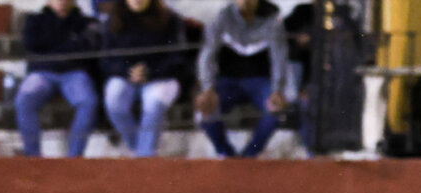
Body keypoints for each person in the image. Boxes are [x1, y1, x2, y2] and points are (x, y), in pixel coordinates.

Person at [195, 0, 289, 158]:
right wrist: (207, 88)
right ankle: (225, 153)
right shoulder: (222, 19)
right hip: (227, 82)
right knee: (204, 111)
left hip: (260, 82)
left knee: (275, 111)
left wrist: (277, 90)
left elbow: (279, 59)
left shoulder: (272, 21)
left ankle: (249, 156)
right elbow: (207, 55)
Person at [101, 0, 187, 157]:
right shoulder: (113, 20)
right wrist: (127, 71)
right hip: (125, 76)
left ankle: (144, 156)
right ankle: (139, 150)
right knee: (114, 99)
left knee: (153, 102)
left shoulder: (170, 19)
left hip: (161, 77)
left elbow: (178, 58)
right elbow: (105, 59)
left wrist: (150, 72)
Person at [15, 0, 101, 158]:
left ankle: (74, 157)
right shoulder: (34, 20)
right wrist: (70, 47)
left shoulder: (87, 23)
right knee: (24, 98)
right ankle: (32, 156)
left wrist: (50, 51)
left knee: (88, 102)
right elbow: (32, 45)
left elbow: (87, 50)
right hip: (42, 72)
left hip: (74, 73)